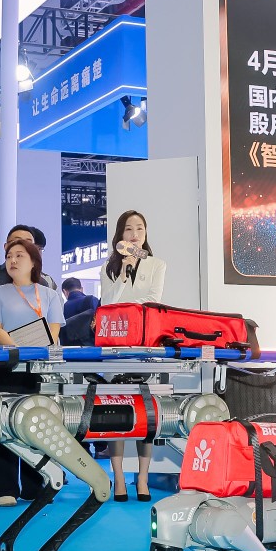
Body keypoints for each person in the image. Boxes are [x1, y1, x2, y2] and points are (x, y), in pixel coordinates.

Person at [0, 238, 65, 507]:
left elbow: (54, 329)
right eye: (9, 256)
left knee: (36, 424)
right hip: (5, 364)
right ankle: (2, 487)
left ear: (34, 262)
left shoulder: (50, 294)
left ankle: (35, 485)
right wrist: (16, 348)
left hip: (37, 367)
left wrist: (33, 351)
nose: (13, 260)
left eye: (19, 255)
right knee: (2, 423)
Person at [99, 210, 168, 500]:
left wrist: (127, 306)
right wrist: (123, 276)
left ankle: (142, 478)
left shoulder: (157, 264)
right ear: (120, 234)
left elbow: (153, 301)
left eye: (140, 228)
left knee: (146, 413)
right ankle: (117, 477)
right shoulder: (110, 266)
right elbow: (107, 303)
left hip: (144, 344)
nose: (135, 234)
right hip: (116, 345)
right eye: (129, 229)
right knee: (117, 412)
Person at [0, 224, 56, 332]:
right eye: (16, 241)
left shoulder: (41, 282)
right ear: (6, 246)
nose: (22, 245)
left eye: (28, 242)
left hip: (29, 340)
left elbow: (50, 318)